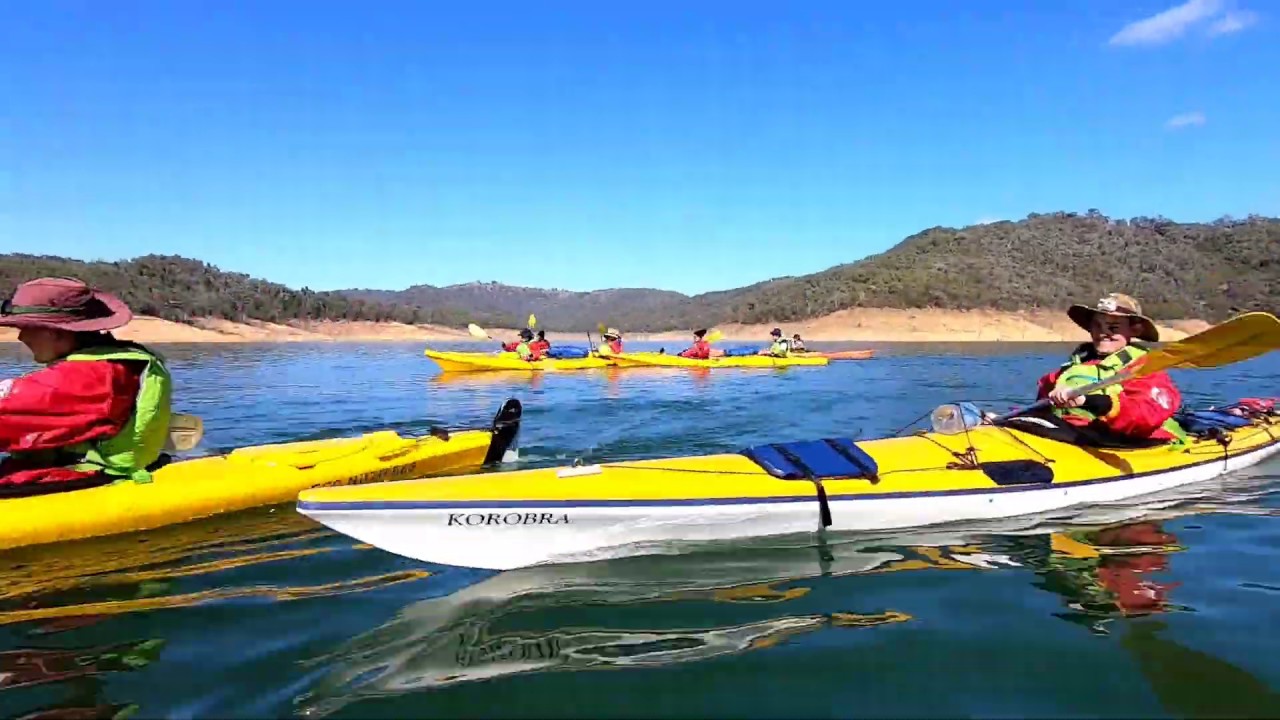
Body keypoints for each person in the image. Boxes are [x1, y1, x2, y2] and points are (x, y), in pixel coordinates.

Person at [0, 277, 174, 495]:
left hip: (89, 477)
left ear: (57, 332)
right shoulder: (101, 364)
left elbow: (9, 412)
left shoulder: (91, 377)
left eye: (27, 328)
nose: (21, 336)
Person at [1023, 293, 1183, 444]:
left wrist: (1090, 401)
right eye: (1097, 326)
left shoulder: (1146, 368)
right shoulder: (1069, 370)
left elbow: (1147, 413)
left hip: (1128, 441)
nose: (1103, 333)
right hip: (1071, 437)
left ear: (1134, 330)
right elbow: (1041, 407)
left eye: (1113, 328)